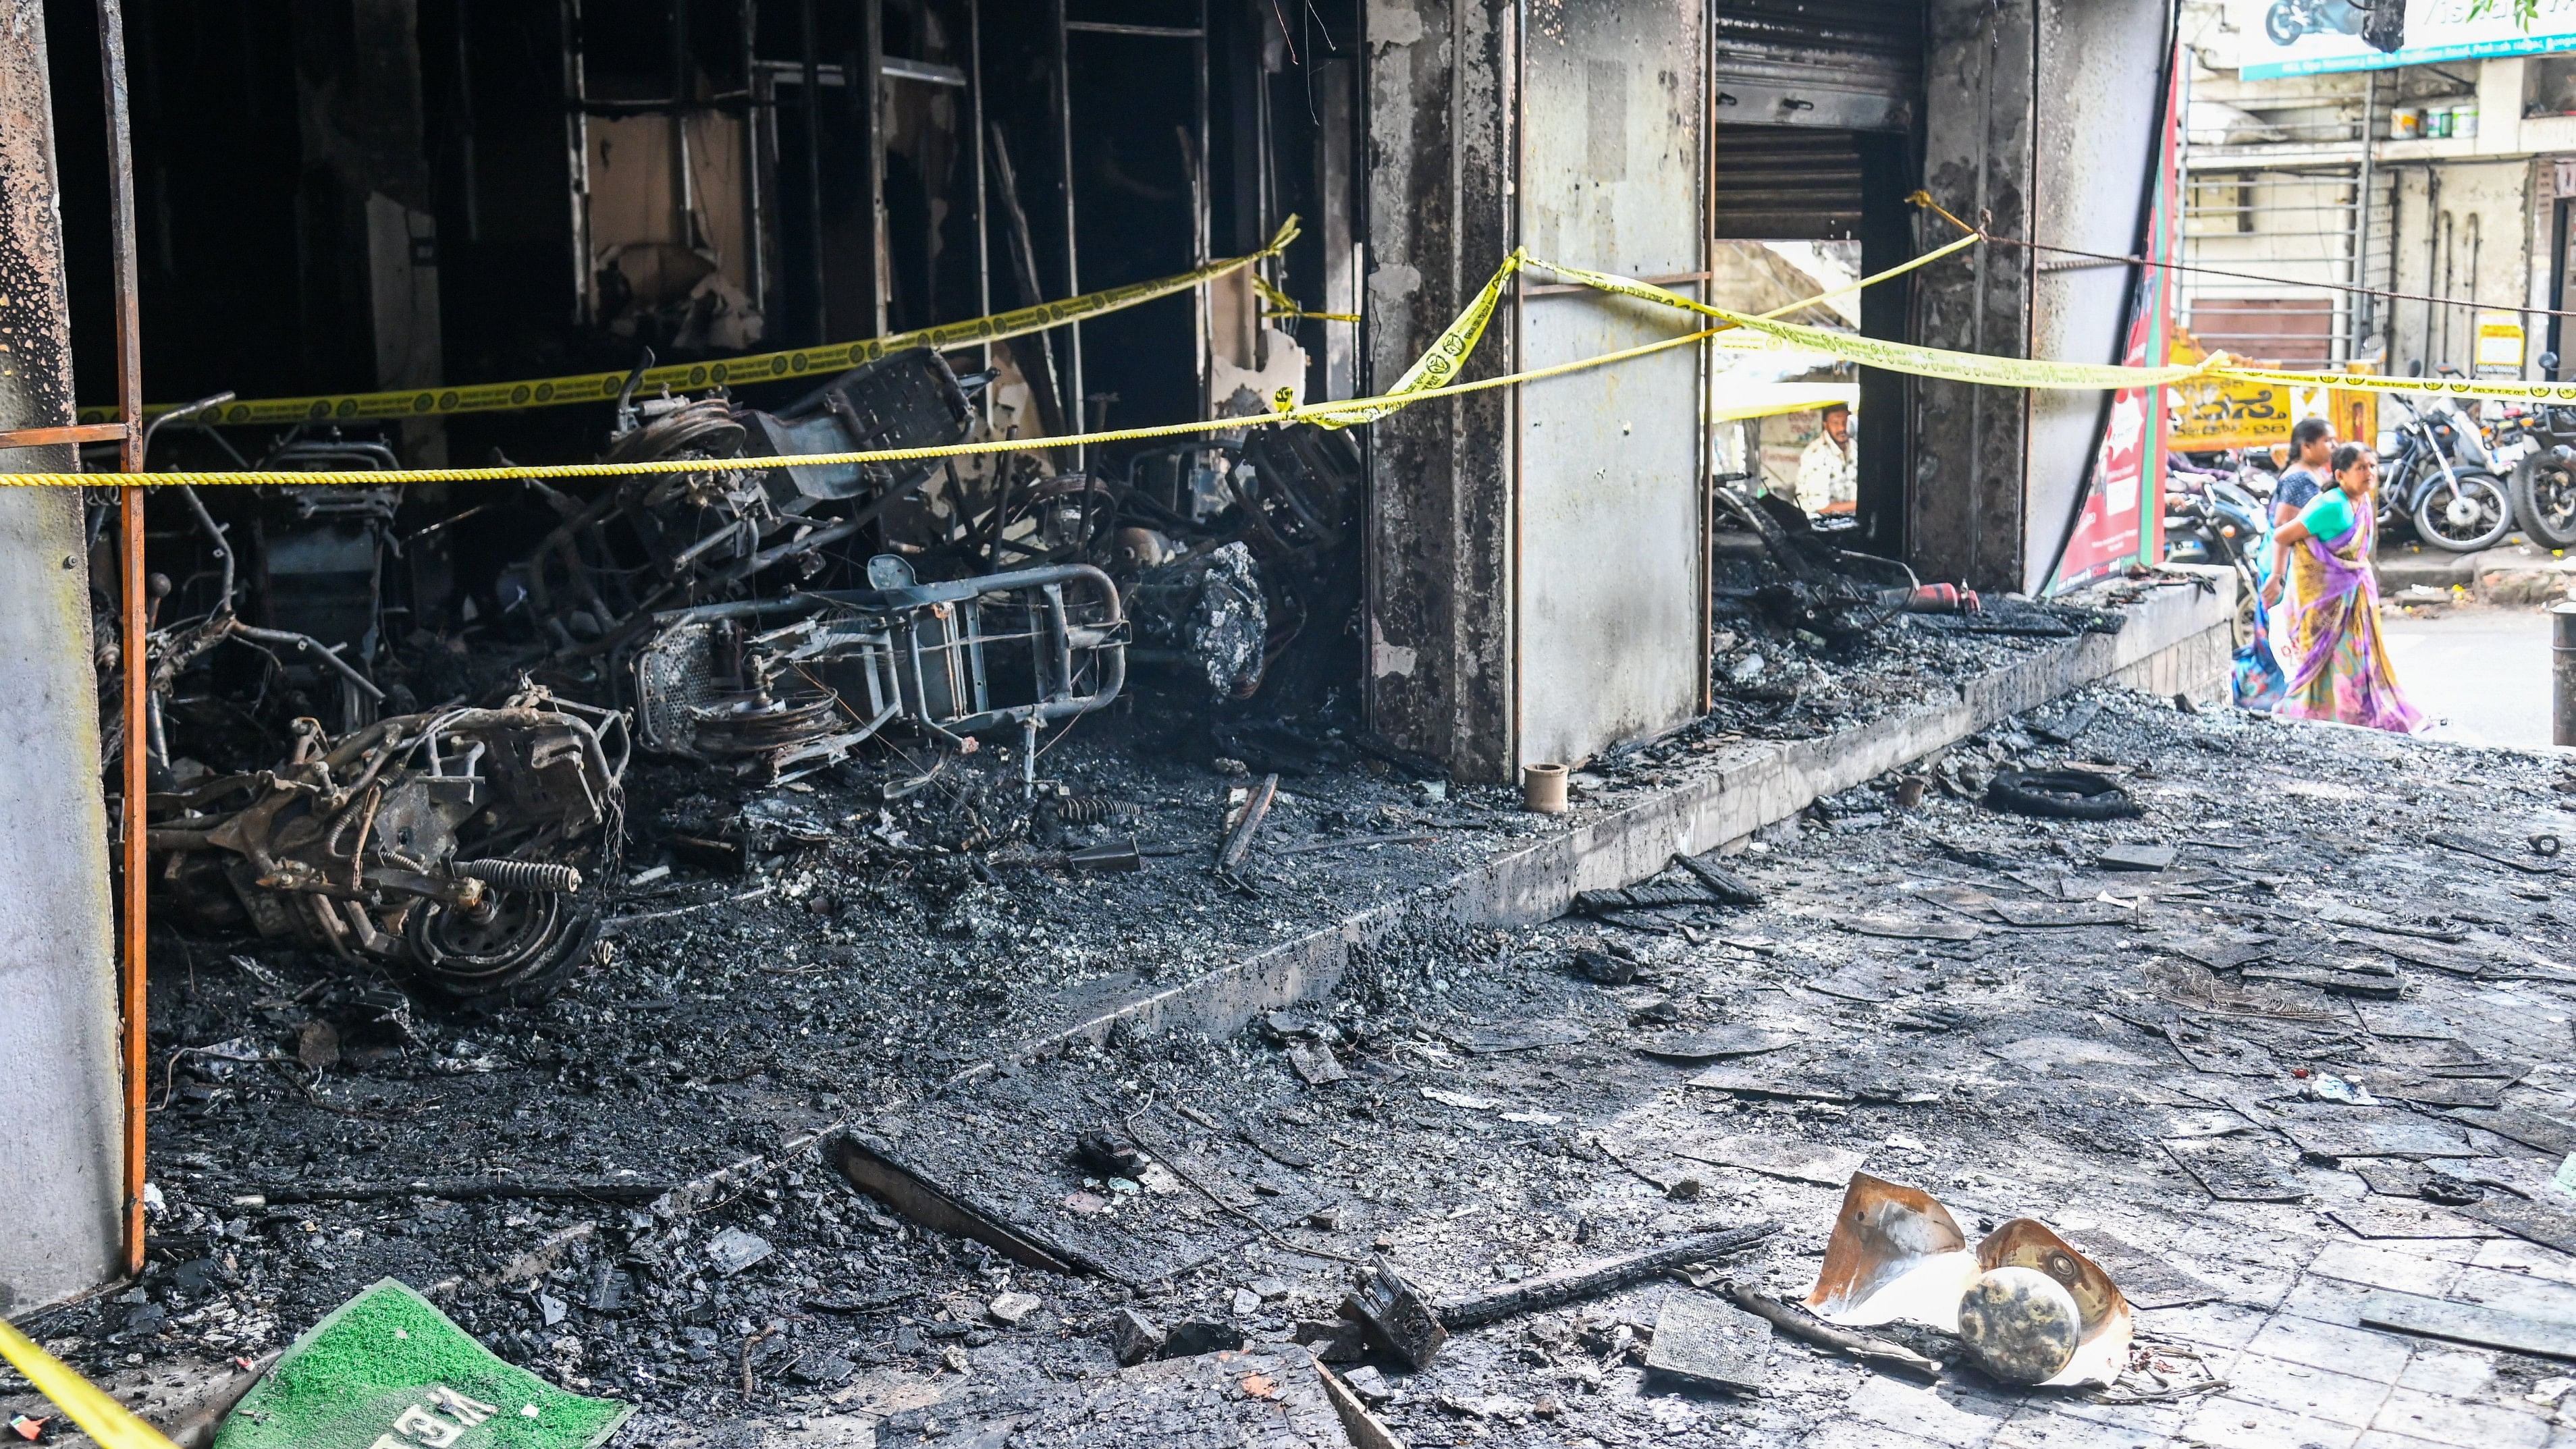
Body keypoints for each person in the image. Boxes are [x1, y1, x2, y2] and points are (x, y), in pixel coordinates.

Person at [2261, 443, 2424, 733]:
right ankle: (2318, 717)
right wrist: (2276, 575)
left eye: (2372, 466)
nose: (2369, 473)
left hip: (2355, 597)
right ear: (2340, 474)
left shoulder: (2361, 501)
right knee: (2324, 664)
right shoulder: (2331, 505)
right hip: (2324, 605)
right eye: (2361, 468)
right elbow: (2283, 535)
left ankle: (2352, 717)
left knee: (2357, 659)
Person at [2271, 416, 2334, 526]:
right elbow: (2282, 524)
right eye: (2328, 440)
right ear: (2307, 446)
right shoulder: (2298, 479)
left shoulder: (2318, 470)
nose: (2335, 446)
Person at [1796, 403, 1856, 516]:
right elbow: (1821, 508)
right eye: (1836, 423)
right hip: (1815, 522)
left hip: (1847, 519)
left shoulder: (1854, 447)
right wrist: (1861, 505)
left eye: (1845, 422)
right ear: (1826, 424)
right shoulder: (1816, 454)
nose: (1842, 428)